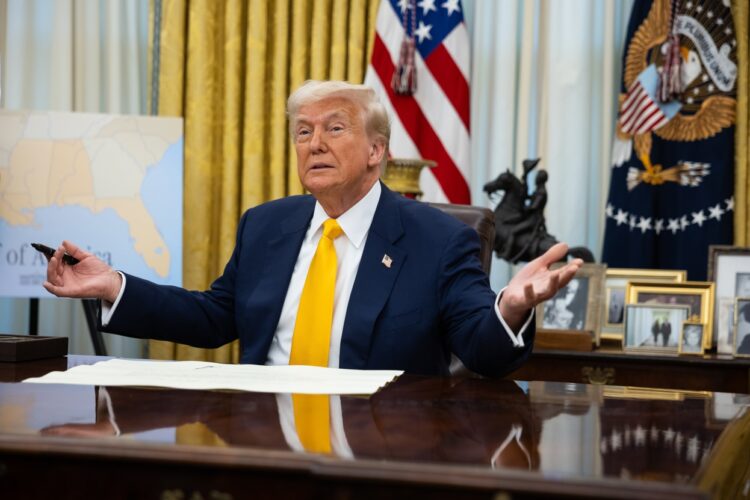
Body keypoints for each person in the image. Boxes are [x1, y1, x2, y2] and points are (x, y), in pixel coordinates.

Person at [42, 80, 582, 377]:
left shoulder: (438, 240)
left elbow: (481, 348)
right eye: (303, 131)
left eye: (334, 128)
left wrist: (509, 310)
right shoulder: (266, 224)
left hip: (379, 452)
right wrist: (115, 286)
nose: (313, 143)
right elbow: (215, 318)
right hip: (262, 441)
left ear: (377, 151)